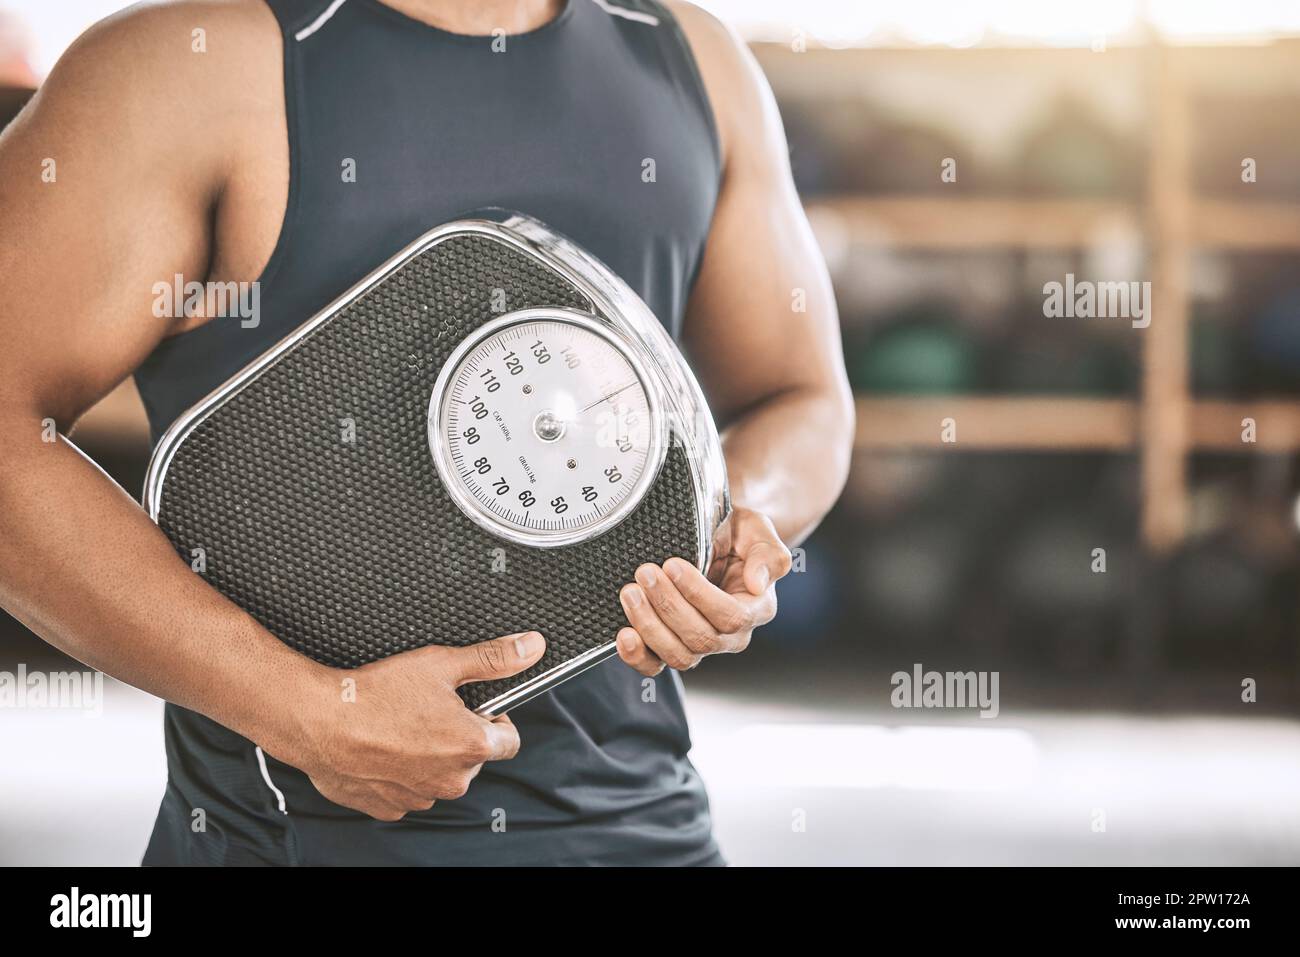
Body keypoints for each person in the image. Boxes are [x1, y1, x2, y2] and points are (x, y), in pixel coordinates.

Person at [0, 0, 853, 865]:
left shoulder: (695, 61)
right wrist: (300, 708)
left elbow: (800, 395)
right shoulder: (182, 68)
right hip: (288, 844)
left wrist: (732, 522)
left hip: (645, 827)